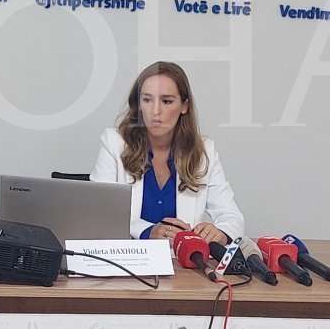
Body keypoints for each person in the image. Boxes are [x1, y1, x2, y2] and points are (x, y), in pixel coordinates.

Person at [90, 61, 245, 243]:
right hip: (126, 256)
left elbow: (233, 218)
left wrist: (220, 233)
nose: (156, 111)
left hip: (180, 259)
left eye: (166, 101)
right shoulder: (114, 143)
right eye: (147, 100)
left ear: (184, 106)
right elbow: (100, 212)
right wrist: (147, 231)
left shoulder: (205, 151)